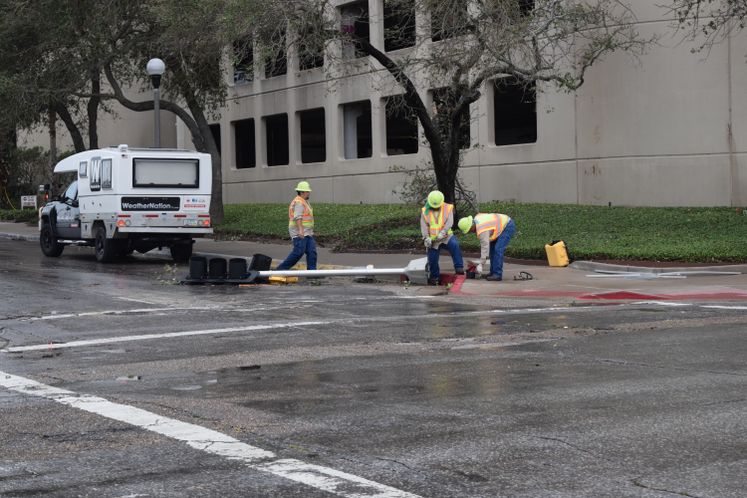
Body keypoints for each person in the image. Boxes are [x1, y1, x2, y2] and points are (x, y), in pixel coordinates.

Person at [421, 190, 464, 285]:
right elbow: (424, 226)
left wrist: (443, 232)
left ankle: (459, 268)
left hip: (446, 236)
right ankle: (434, 277)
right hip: (433, 240)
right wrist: (426, 238)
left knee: (455, 246)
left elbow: (450, 222)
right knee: (432, 259)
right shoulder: (425, 211)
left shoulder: (448, 208)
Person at [457, 212, 516, 281]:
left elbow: (485, 247)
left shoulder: (482, 229)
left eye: (469, 230)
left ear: (471, 226)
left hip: (507, 226)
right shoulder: (476, 219)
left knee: (498, 249)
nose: (470, 232)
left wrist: (481, 264)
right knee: (492, 249)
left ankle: (497, 274)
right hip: (501, 224)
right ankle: (493, 272)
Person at [276, 181, 317, 270]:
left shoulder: (304, 201)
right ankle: (280, 270)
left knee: (312, 252)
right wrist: (301, 230)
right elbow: (298, 217)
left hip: (307, 233)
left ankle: (312, 273)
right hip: (299, 232)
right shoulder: (299, 202)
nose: (309, 193)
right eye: (307, 191)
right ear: (302, 192)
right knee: (298, 252)